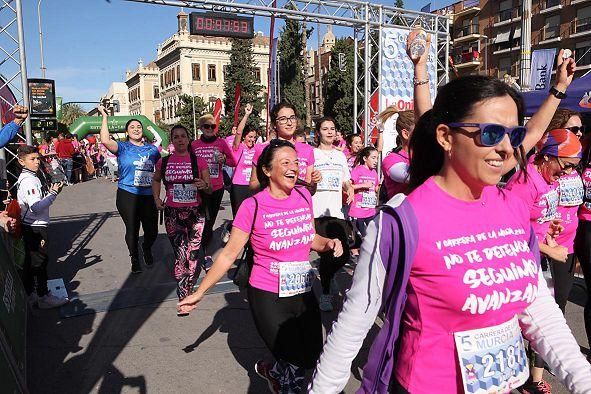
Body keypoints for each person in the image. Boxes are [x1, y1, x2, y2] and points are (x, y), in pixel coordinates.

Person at [309, 33, 591, 393]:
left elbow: (536, 308)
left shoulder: (514, 208)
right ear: (445, 137)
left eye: (514, 134)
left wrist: (583, 380)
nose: (506, 148)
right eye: (490, 134)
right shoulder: (402, 220)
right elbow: (351, 327)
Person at [179, 140, 343, 393]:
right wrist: (200, 292)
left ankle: (271, 371)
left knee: (311, 356)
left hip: (302, 291)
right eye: (285, 163)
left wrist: (330, 243)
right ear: (267, 170)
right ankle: (284, 381)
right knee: (294, 363)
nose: (294, 168)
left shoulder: (302, 195)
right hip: (267, 294)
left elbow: (309, 237)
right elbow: (228, 254)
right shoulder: (252, 206)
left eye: (296, 162)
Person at [506, 129, 582, 392]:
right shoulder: (525, 182)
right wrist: (552, 251)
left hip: (537, 259)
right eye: (566, 166)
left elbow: (533, 219)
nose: (567, 173)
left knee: (542, 321)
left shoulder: (547, 179)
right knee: (520, 323)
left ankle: (529, 377)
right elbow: (509, 233)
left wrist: (549, 226)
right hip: (520, 262)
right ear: (549, 156)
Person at [152, 125, 212, 311]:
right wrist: (156, 198)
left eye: (183, 136)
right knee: (180, 253)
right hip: (173, 213)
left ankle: (187, 289)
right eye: (176, 137)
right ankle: (184, 292)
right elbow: (156, 180)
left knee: (193, 253)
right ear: (172, 140)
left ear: (188, 139)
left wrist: (203, 185)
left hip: (195, 212)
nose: (180, 140)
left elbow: (210, 188)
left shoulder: (199, 161)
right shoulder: (164, 161)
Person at [98, 105, 161, 273]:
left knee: (152, 230)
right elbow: (105, 140)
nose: (136, 129)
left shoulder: (153, 150)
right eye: (132, 127)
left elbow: (159, 174)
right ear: (127, 132)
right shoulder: (123, 147)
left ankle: (146, 247)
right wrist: (105, 117)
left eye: (139, 127)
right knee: (132, 228)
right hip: (128, 194)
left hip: (148, 195)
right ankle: (134, 257)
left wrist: (159, 196)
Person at [16, 145, 68, 309]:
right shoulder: (29, 180)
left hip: (32, 225)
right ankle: (43, 296)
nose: (37, 162)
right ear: (21, 162)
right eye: (32, 159)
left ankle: (31, 294)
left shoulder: (31, 177)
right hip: (35, 226)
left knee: (33, 262)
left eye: (38, 158)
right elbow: (36, 207)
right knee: (40, 262)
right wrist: (53, 194)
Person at [312, 116, 354, 312]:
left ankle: (329, 276)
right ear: (318, 132)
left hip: (336, 212)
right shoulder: (313, 154)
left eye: (332, 128)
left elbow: (346, 179)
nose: (329, 132)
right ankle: (326, 294)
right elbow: (305, 180)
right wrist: (312, 178)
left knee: (343, 254)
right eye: (325, 128)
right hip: (318, 211)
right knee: (327, 254)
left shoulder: (340, 156)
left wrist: (350, 188)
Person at [190, 114, 236, 268]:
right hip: (199, 188)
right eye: (206, 126)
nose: (210, 129)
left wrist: (224, 160)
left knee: (209, 223)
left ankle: (205, 254)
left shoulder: (221, 143)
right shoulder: (194, 145)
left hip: (216, 188)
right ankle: (198, 250)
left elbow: (233, 161)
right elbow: (187, 162)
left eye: (213, 126)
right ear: (201, 128)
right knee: (198, 221)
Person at [249, 102, 321, 194]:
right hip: (273, 205)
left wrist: (314, 181)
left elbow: (311, 191)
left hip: (299, 205)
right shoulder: (263, 149)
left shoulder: (307, 149)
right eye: (283, 119)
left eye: (292, 118)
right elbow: (253, 185)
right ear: (275, 124)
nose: (289, 123)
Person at [380, 109, 415, 200]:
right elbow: (415, 177)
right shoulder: (391, 160)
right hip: (403, 213)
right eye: (422, 131)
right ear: (406, 134)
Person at [230, 103, 256, 216]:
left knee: (252, 216)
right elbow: (239, 132)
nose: (252, 140)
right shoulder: (238, 147)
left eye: (255, 137)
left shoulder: (257, 148)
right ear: (244, 137)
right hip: (238, 186)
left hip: (253, 186)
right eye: (250, 137)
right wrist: (246, 115)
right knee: (239, 216)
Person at [348, 146, 380, 237]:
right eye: (373, 158)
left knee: (372, 237)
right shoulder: (358, 170)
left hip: (370, 210)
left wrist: (382, 184)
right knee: (361, 238)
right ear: (365, 158)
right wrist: (363, 185)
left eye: (377, 158)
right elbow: (348, 186)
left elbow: (376, 188)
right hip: (358, 211)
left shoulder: (374, 172)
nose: (376, 161)